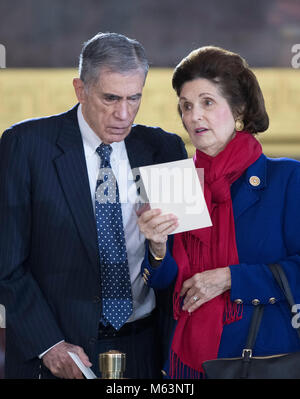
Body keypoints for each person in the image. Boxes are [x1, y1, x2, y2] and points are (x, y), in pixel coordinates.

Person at [0, 32, 187, 379]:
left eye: (134, 98)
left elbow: (182, 262)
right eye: (110, 98)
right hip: (60, 352)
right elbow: (7, 264)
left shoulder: (165, 149)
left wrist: (159, 250)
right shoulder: (25, 146)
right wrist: (49, 344)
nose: (123, 113)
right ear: (80, 89)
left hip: (146, 349)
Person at [138, 46, 300, 378]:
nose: (194, 116)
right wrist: (155, 248)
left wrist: (232, 279)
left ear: (238, 108)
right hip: (186, 364)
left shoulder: (287, 178)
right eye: (186, 106)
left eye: (207, 103)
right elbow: (165, 283)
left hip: (263, 359)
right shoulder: (177, 180)